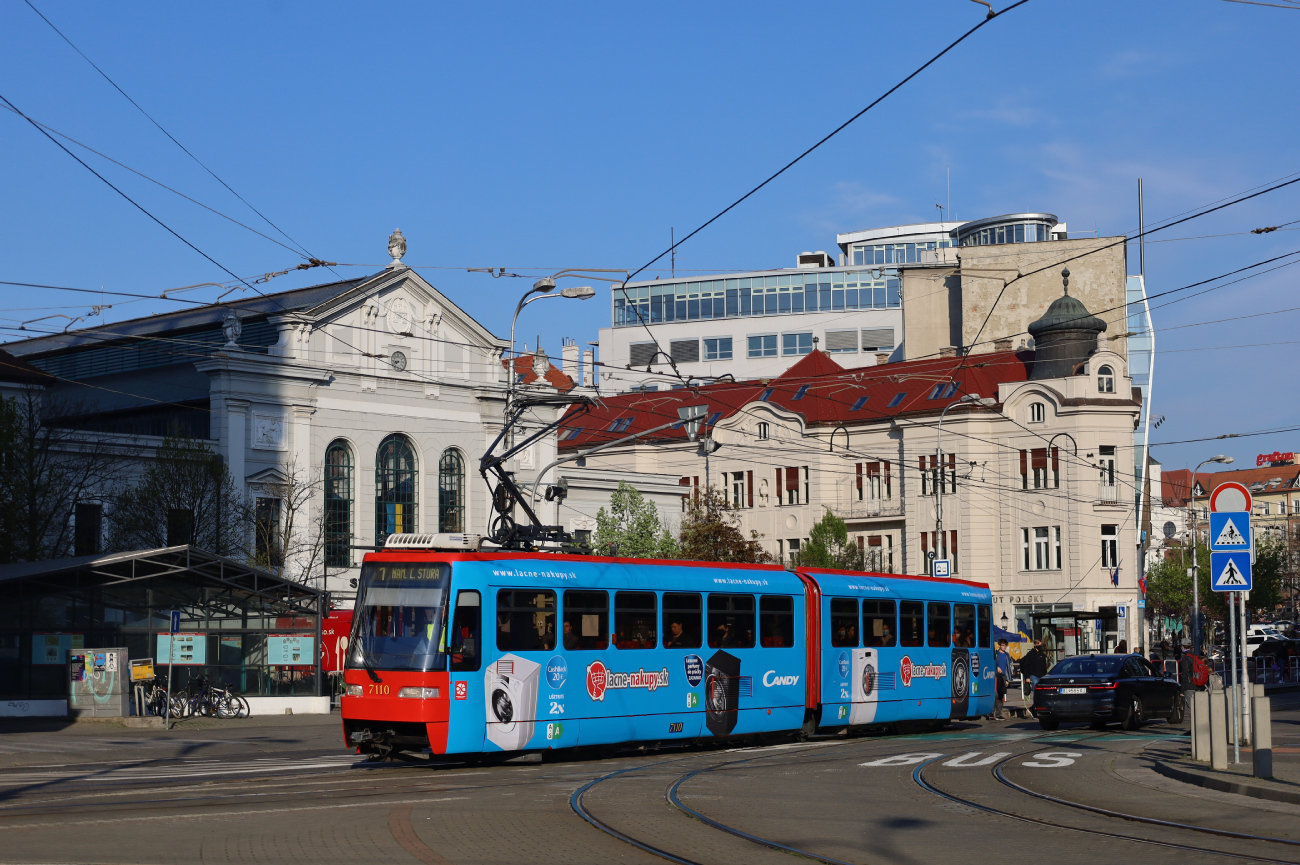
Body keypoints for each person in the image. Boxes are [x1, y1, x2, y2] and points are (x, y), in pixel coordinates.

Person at [993, 639, 1011, 721]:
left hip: (1003, 676)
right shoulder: (996, 654)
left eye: (1005, 645)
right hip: (996, 676)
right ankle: (991, 712)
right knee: (995, 694)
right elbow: (992, 662)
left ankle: (998, 714)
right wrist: (996, 667)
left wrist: (1008, 679)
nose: (1004, 647)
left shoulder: (1007, 655)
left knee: (1001, 695)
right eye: (1003, 645)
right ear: (999, 645)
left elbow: (1008, 668)